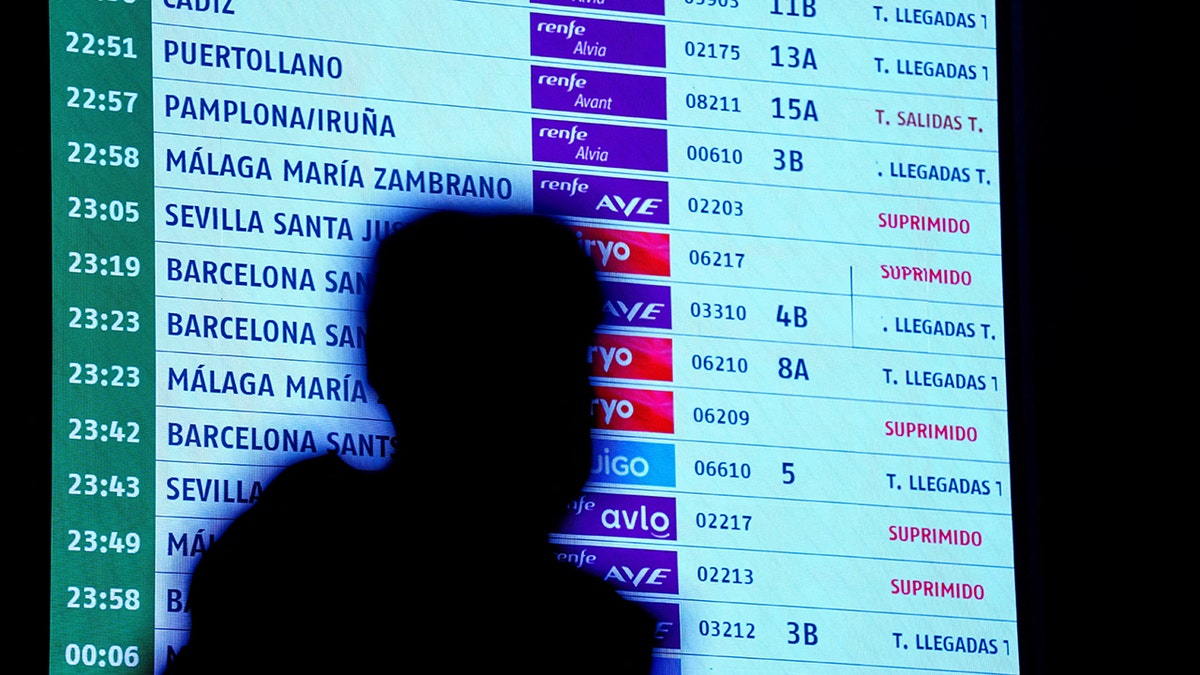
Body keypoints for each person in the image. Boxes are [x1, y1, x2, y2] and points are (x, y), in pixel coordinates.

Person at [165, 211, 657, 673]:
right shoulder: (299, 556)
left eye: (575, 363)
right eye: (541, 366)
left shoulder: (591, 634)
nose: (587, 401)